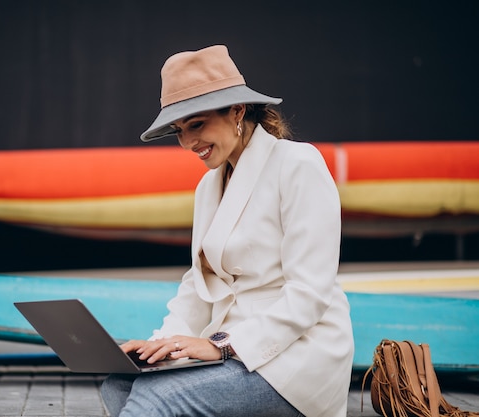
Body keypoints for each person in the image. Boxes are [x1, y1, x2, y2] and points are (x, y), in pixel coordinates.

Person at [100, 45, 354, 417]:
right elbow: (198, 285)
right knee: (120, 383)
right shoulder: (209, 187)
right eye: (179, 130)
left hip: (296, 358)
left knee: (158, 399)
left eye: (197, 124)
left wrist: (223, 346)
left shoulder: (298, 164)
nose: (187, 143)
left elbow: (309, 293)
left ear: (237, 111)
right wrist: (160, 346)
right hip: (230, 351)